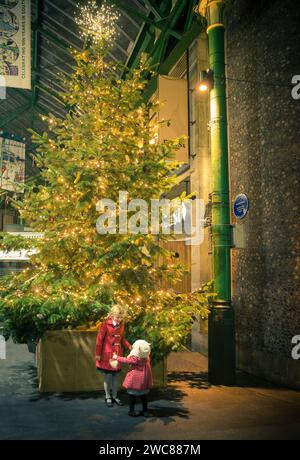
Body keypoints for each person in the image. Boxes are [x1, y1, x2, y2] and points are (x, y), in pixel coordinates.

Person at [95, 305, 131, 407]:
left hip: (117, 354)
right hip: (107, 355)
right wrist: (97, 354)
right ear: (112, 315)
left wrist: (129, 346)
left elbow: (122, 339)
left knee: (116, 377)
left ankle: (115, 396)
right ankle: (107, 396)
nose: (119, 320)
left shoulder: (122, 325)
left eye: (121, 318)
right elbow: (99, 340)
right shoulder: (105, 324)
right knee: (108, 376)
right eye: (117, 317)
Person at [111, 339, 152, 417]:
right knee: (144, 397)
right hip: (144, 383)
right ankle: (145, 411)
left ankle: (131, 411)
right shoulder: (146, 358)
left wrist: (116, 357)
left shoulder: (135, 358)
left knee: (132, 397)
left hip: (135, 382)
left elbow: (126, 360)